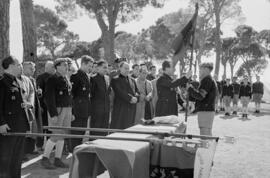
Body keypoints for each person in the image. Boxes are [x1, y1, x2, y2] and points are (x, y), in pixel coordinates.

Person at [0, 56, 30, 178]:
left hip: (19, 125)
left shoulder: (16, 81)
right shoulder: (2, 82)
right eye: (18, 65)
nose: (20, 67)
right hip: (8, 126)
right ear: (11, 66)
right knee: (6, 159)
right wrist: (1, 123)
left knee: (17, 158)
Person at [41, 58, 72, 169]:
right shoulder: (52, 79)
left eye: (67, 64)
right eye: (64, 65)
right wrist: (53, 114)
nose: (66, 66)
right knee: (56, 134)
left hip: (67, 109)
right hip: (57, 110)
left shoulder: (66, 78)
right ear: (57, 66)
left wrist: (70, 111)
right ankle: (45, 158)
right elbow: (48, 98)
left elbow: (68, 96)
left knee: (62, 134)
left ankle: (57, 159)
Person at [69, 55, 93, 151]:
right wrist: (72, 112)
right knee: (76, 133)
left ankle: (77, 151)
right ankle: (73, 151)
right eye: (89, 66)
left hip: (85, 109)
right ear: (83, 64)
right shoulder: (75, 76)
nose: (90, 68)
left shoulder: (87, 77)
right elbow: (71, 95)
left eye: (91, 66)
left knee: (82, 133)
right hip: (77, 110)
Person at [187, 63, 218, 136]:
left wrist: (190, 89)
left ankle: (206, 147)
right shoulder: (208, 79)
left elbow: (200, 96)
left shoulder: (207, 80)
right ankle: (208, 147)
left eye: (201, 68)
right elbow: (201, 96)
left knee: (205, 133)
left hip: (206, 110)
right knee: (206, 132)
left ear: (206, 69)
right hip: (206, 109)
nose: (199, 70)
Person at [110, 62, 140, 129]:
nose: (127, 70)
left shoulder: (132, 80)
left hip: (131, 108)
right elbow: (119, 92)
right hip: (121, 109)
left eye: (128, 68)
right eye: (125, 68)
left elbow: (137, 91)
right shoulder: (115, 79)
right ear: (120, 68)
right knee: (119, 128)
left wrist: (137, 98)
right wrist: (131, 98)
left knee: (129, 128)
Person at [36, 61, 56, 150]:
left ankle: (49, 145)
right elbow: (39, 91)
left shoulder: (54, 77)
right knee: (42, 126)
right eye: (52, 67)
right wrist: (39, 105)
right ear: (47, 68)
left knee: (49, 127)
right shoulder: (41, 77)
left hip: (51, 106)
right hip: (43, 106)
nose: (54, 69)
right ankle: (39, 145)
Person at [90, 60, 111, 135]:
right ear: (98, 68)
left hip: (106, 109)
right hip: (96, 111)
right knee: (96, 131)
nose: (106, 69)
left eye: (107, 68)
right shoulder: (93, 78)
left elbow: (108, 93)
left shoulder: (107, 78)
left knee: (105, 131)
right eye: (104, 67)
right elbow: (91, 95)